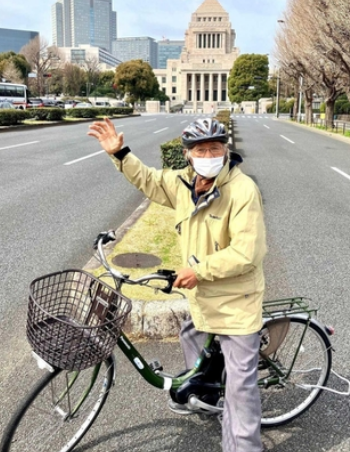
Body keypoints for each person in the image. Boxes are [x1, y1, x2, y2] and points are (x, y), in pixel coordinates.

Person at [88, 117, 267, 452]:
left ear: (225, 151)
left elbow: (247, 252)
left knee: (241, 395)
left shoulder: (243, 191)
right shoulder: (184, 184)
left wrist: (199, 270)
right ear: (188, 155)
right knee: (191, 334)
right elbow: (149, 180)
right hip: (203, 297)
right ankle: (206, 392)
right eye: (201, 149)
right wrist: (120, 153)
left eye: (215, 147)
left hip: (236, 303)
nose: (209, 153)